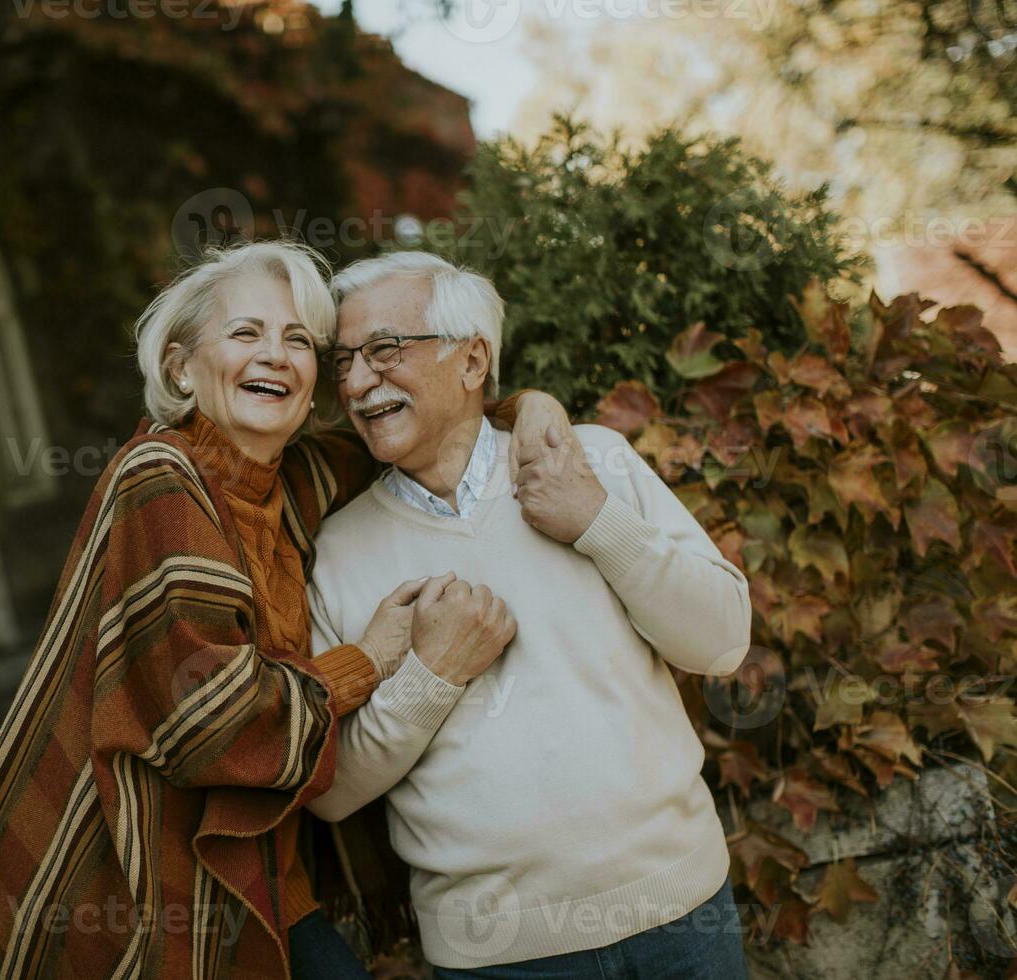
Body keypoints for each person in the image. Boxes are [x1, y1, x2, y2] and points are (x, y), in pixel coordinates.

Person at [0, 241, 568, 980]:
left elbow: (441, 421)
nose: (277, 356)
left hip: (256, 876)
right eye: (246, 333)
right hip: (133, 881)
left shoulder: (296, 479)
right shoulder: (159, 476)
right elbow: (215, 726)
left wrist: (530, 408)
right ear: (181, 368)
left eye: (297, 340)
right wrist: (374, 661)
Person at [304, 252, 754, 980]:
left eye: (385, 350)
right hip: (496, 960)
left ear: (472, 357)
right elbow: (329, 791)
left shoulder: (592, 462)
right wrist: (432, 676)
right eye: (345, 361)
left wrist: (599, 523)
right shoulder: (338, 552)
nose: (356, 382)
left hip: (683, 922)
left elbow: (723, 643)